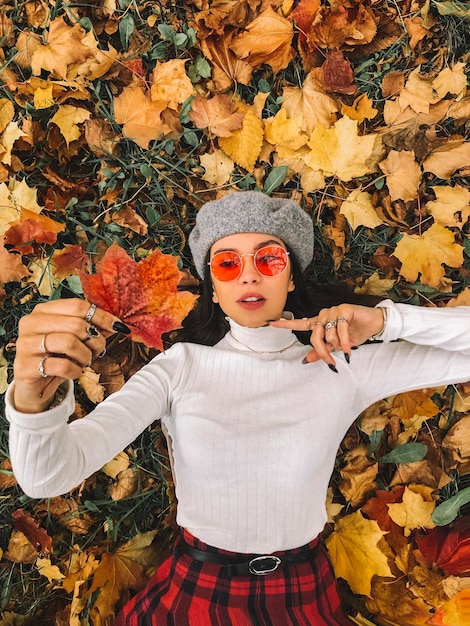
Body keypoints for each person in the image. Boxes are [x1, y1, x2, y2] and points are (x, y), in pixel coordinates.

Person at [5, 190, 470, 626]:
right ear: (212, 288)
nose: (250, 275)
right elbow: (48, 477)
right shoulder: (180, 367)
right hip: (197, 589)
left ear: (291, 277)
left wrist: (390, 320)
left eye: (269, 259)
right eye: (227, 264)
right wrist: (32, 397)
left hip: (302, 590)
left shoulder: (345, 365)